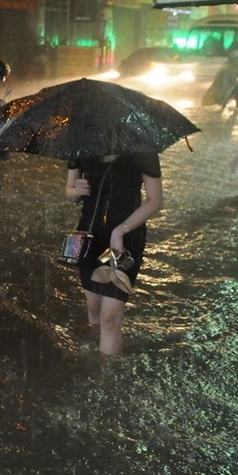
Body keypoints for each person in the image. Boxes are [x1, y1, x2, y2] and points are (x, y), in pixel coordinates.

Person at [65, 152, 163, 356]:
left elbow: (155, 201)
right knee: (93, 309)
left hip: (124, 241)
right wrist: (75, 191)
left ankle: (105, 378)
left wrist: (120, 230)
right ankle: (98, 354)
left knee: (109, 319)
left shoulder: (141, 148)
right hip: (89, 236)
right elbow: (69, 191)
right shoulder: (82, 146)